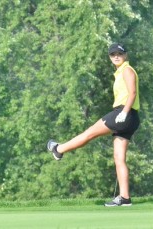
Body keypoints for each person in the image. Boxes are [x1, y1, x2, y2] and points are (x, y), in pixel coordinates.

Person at [47, 43, 140, 207]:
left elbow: (132, 93)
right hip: (131, 117)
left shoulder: (127, 70)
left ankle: (58, 149)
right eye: (113, 54)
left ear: (126, 55)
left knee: (89, 133)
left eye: (119, 53)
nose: (116, 56)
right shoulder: (119, 72)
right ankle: (124, 198)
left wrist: (124, 112)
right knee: (119, 158)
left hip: (124, 112)